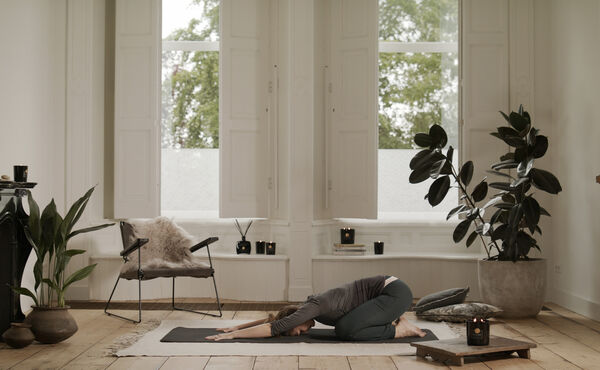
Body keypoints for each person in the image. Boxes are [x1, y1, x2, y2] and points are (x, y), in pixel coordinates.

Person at [206, 275, 426, 341]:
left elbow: (275, 326)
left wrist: (234, 336)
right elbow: (274, 320)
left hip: (394, 293)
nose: (301, 332)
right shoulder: (308, 309)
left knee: (345, 330)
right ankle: (393, 323)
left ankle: (400, 329)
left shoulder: (313, 307)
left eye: (296, 330)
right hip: (387, 294)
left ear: (297, 317)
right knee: (346, 325)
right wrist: (236, 327)